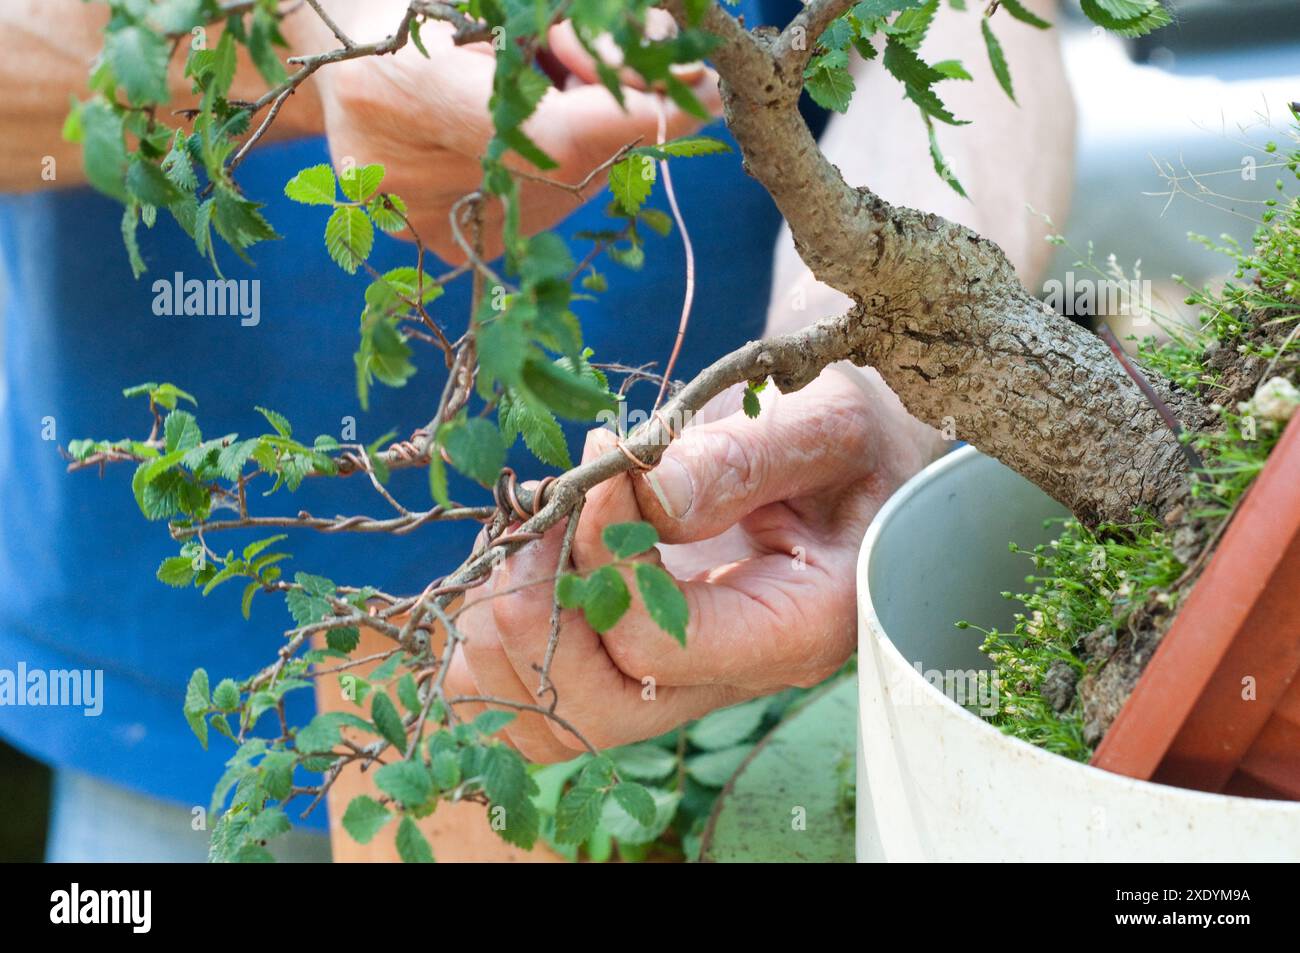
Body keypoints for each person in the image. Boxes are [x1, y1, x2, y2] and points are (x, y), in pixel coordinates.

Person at [0, 0, 1070, 861]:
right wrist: (300, 41)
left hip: (729, 634)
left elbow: (967, 24)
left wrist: (870, 375)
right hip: (177, 699)